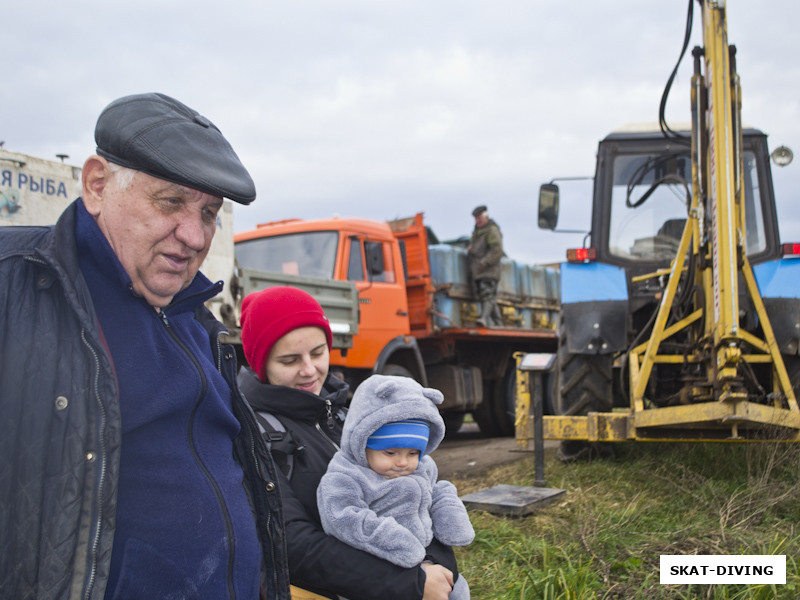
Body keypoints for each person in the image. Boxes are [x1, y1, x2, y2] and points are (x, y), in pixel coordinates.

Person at [0, 93, 289, 599]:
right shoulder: (16, 285)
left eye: (209, 212)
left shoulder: (197, 318)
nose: (195, 235)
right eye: (171, 201)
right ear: (96, 184)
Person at [238, 286, 461, 600]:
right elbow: (291, 543)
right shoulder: (253, 436)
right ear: (261, 365)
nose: (309, 370)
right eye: (289, 360)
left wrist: (438, 565)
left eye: (317, 353)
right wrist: (409, 583)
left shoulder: (350, 418)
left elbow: (417, 494)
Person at [317, 374, 475, 600]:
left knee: (459, 588)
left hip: (426, 557)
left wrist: (449, 509)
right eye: (390, 452)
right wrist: (395, 540)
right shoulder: (346, 476)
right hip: (380, 568)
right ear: (362, 443)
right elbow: (342, 517)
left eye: (413, 453)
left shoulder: (422, 467)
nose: (402, 462)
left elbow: (436, 491)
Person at [467, 204, 504, 327]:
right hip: (480, 270)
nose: (477, 220)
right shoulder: (478, 232)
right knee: (489, 297)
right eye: (476, 218)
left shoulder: (491, 230)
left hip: (488, 270)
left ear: (485, 216)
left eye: (479, 217)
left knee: (487, 295)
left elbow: (497, 249)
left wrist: (486, 262)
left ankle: (484, 318)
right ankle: (499, 323)